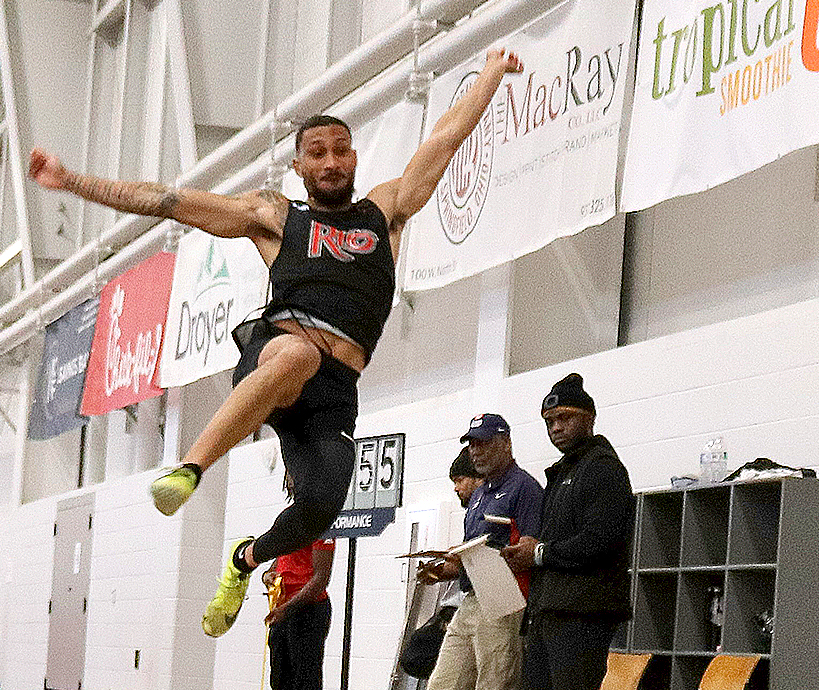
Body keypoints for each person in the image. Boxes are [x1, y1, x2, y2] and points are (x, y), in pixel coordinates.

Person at [29, 46, 524, 638]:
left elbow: (443, 143)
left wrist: (491, 72)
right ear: (298, 167)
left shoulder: (383, 212)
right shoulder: (275, 217)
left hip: (335, 389)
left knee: (321, 507)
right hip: (276, 353)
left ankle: (245, 558)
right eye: (318, 153)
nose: (332, 161)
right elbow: (170, 202)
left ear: (355, 158)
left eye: (341, 150)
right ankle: (190, 468)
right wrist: (74, 182)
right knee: (297, 353)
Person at [377, 414, 543, 690]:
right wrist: (447, 567)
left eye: (484, 443)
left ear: (505, 442)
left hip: (504, 600)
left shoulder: (525, 489)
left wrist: (498, 556)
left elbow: (530, 547)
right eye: (472, 444)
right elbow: (472, 553)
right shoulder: (482, 494)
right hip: (470, 598)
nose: (476, 451)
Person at [500, 374, 636, 690]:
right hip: (549, 610)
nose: (556, 427)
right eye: (549, 420)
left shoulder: (603, 470)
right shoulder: (562, 473)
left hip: (584, 613)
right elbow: (552, 549)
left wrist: (538, 554)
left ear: (589, 418)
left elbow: (597, 543)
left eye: (564, 418)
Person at [250, 478, 334, 690]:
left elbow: (320, 579)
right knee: (281, 682)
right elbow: (277, 564)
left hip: (308, 610)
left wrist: (288, 607)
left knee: (307, 683)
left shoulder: (322, 523)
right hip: (283, 610)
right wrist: (270, 577)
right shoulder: (289, 521)